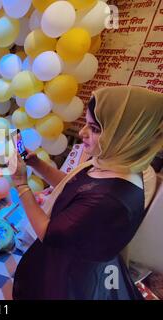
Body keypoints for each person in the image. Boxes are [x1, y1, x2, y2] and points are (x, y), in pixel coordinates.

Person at [11, 86, 163, 300]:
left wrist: (21, 186)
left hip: (74, 279)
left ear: (127, 134)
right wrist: (36, 164)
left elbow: (48, 233)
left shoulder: (110, 198)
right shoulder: (110, 161)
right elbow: (71, 185)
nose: (82, 132)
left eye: (94, 128)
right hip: (63, 260)